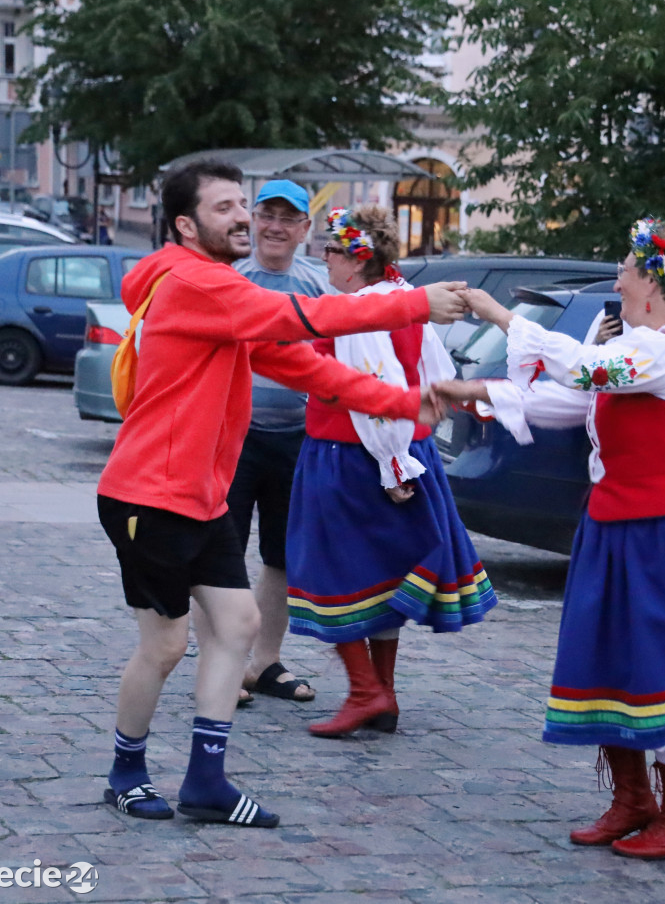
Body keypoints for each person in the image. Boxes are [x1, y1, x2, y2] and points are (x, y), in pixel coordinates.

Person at [95, 160, 468, 827]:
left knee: (238, 626)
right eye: (224, 207)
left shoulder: (217, 293)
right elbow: (307, 316)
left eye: (243, 202)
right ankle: (126, 772)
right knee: (166, 643)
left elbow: (303, 365)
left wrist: (409, 403)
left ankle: (206, 781)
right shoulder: (195, 281)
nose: (242, 216)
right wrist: (415, 300)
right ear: (185, 224)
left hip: (197, 496)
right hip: (148, 496)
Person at [436, 218, 665, 861]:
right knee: (612, 663)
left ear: (651, 281)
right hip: (621, 528)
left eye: (626, 265)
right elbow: (565, 401)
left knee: (660, 668)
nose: (617, 274)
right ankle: (634, 799)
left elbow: (585, 369)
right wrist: (471, 392)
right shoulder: (637, 354)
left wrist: (500, 314)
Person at [285, 204, 497, 738]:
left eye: (331, 250)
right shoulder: (399, 301)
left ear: (356, 261)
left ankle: (366, 691)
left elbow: (373, 389)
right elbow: (438, 375)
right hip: (392, 450)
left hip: (356, 454)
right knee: (377, 573)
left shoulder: (356, 309)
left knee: (333, 570)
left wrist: (393, 462)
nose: (324, 258)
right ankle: (383, 694)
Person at [227, 180, 329, 705]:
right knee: (217, 554)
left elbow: (339, 356)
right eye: (267, 214)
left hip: (296, 439)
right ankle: (225, 666)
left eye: (289, 219)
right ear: (252, 220)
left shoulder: (316, 286)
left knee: (282, 556)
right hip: (232, 437)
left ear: (304, 230)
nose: (275, 226)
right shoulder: (229, 280)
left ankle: (264, 662)